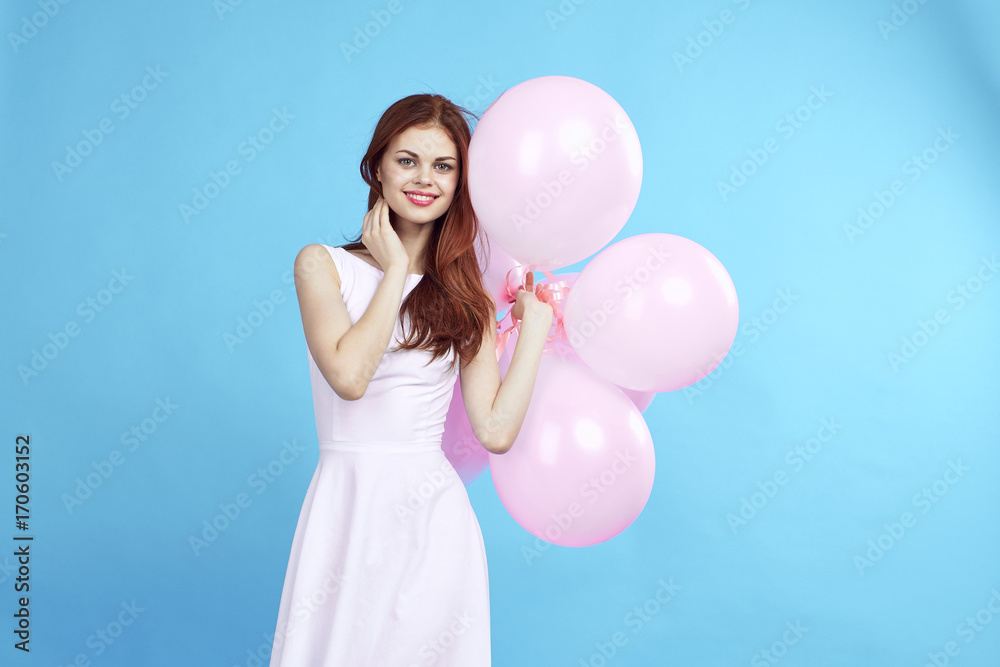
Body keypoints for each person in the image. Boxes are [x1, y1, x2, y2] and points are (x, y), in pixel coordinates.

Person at [267, 93, 554, 666]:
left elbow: (495, 430)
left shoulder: (465, 299)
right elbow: (349, 376)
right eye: (408, 160)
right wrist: (396, 269)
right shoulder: (321, 265)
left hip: (432, 518)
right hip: (346, 508)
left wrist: (536, 333)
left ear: (461, 181)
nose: (425, 179)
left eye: (443, 166)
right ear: (378, 167)